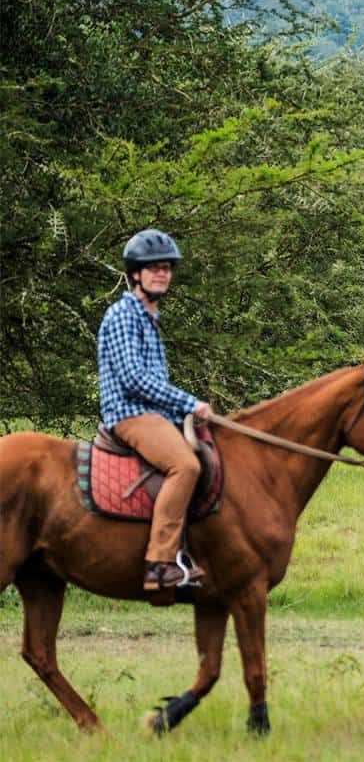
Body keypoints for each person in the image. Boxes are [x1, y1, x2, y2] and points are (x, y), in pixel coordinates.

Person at [98, 228, 214, 591]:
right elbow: (134, 379)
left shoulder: (149, 316)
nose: (161, 273)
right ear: (136, 274)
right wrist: (189, 403)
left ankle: (190, 553)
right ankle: (159, 563)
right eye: (153, 268)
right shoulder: (123, 315)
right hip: (130, 414)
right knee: (185, 465)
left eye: (166, 268)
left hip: (152, 414)